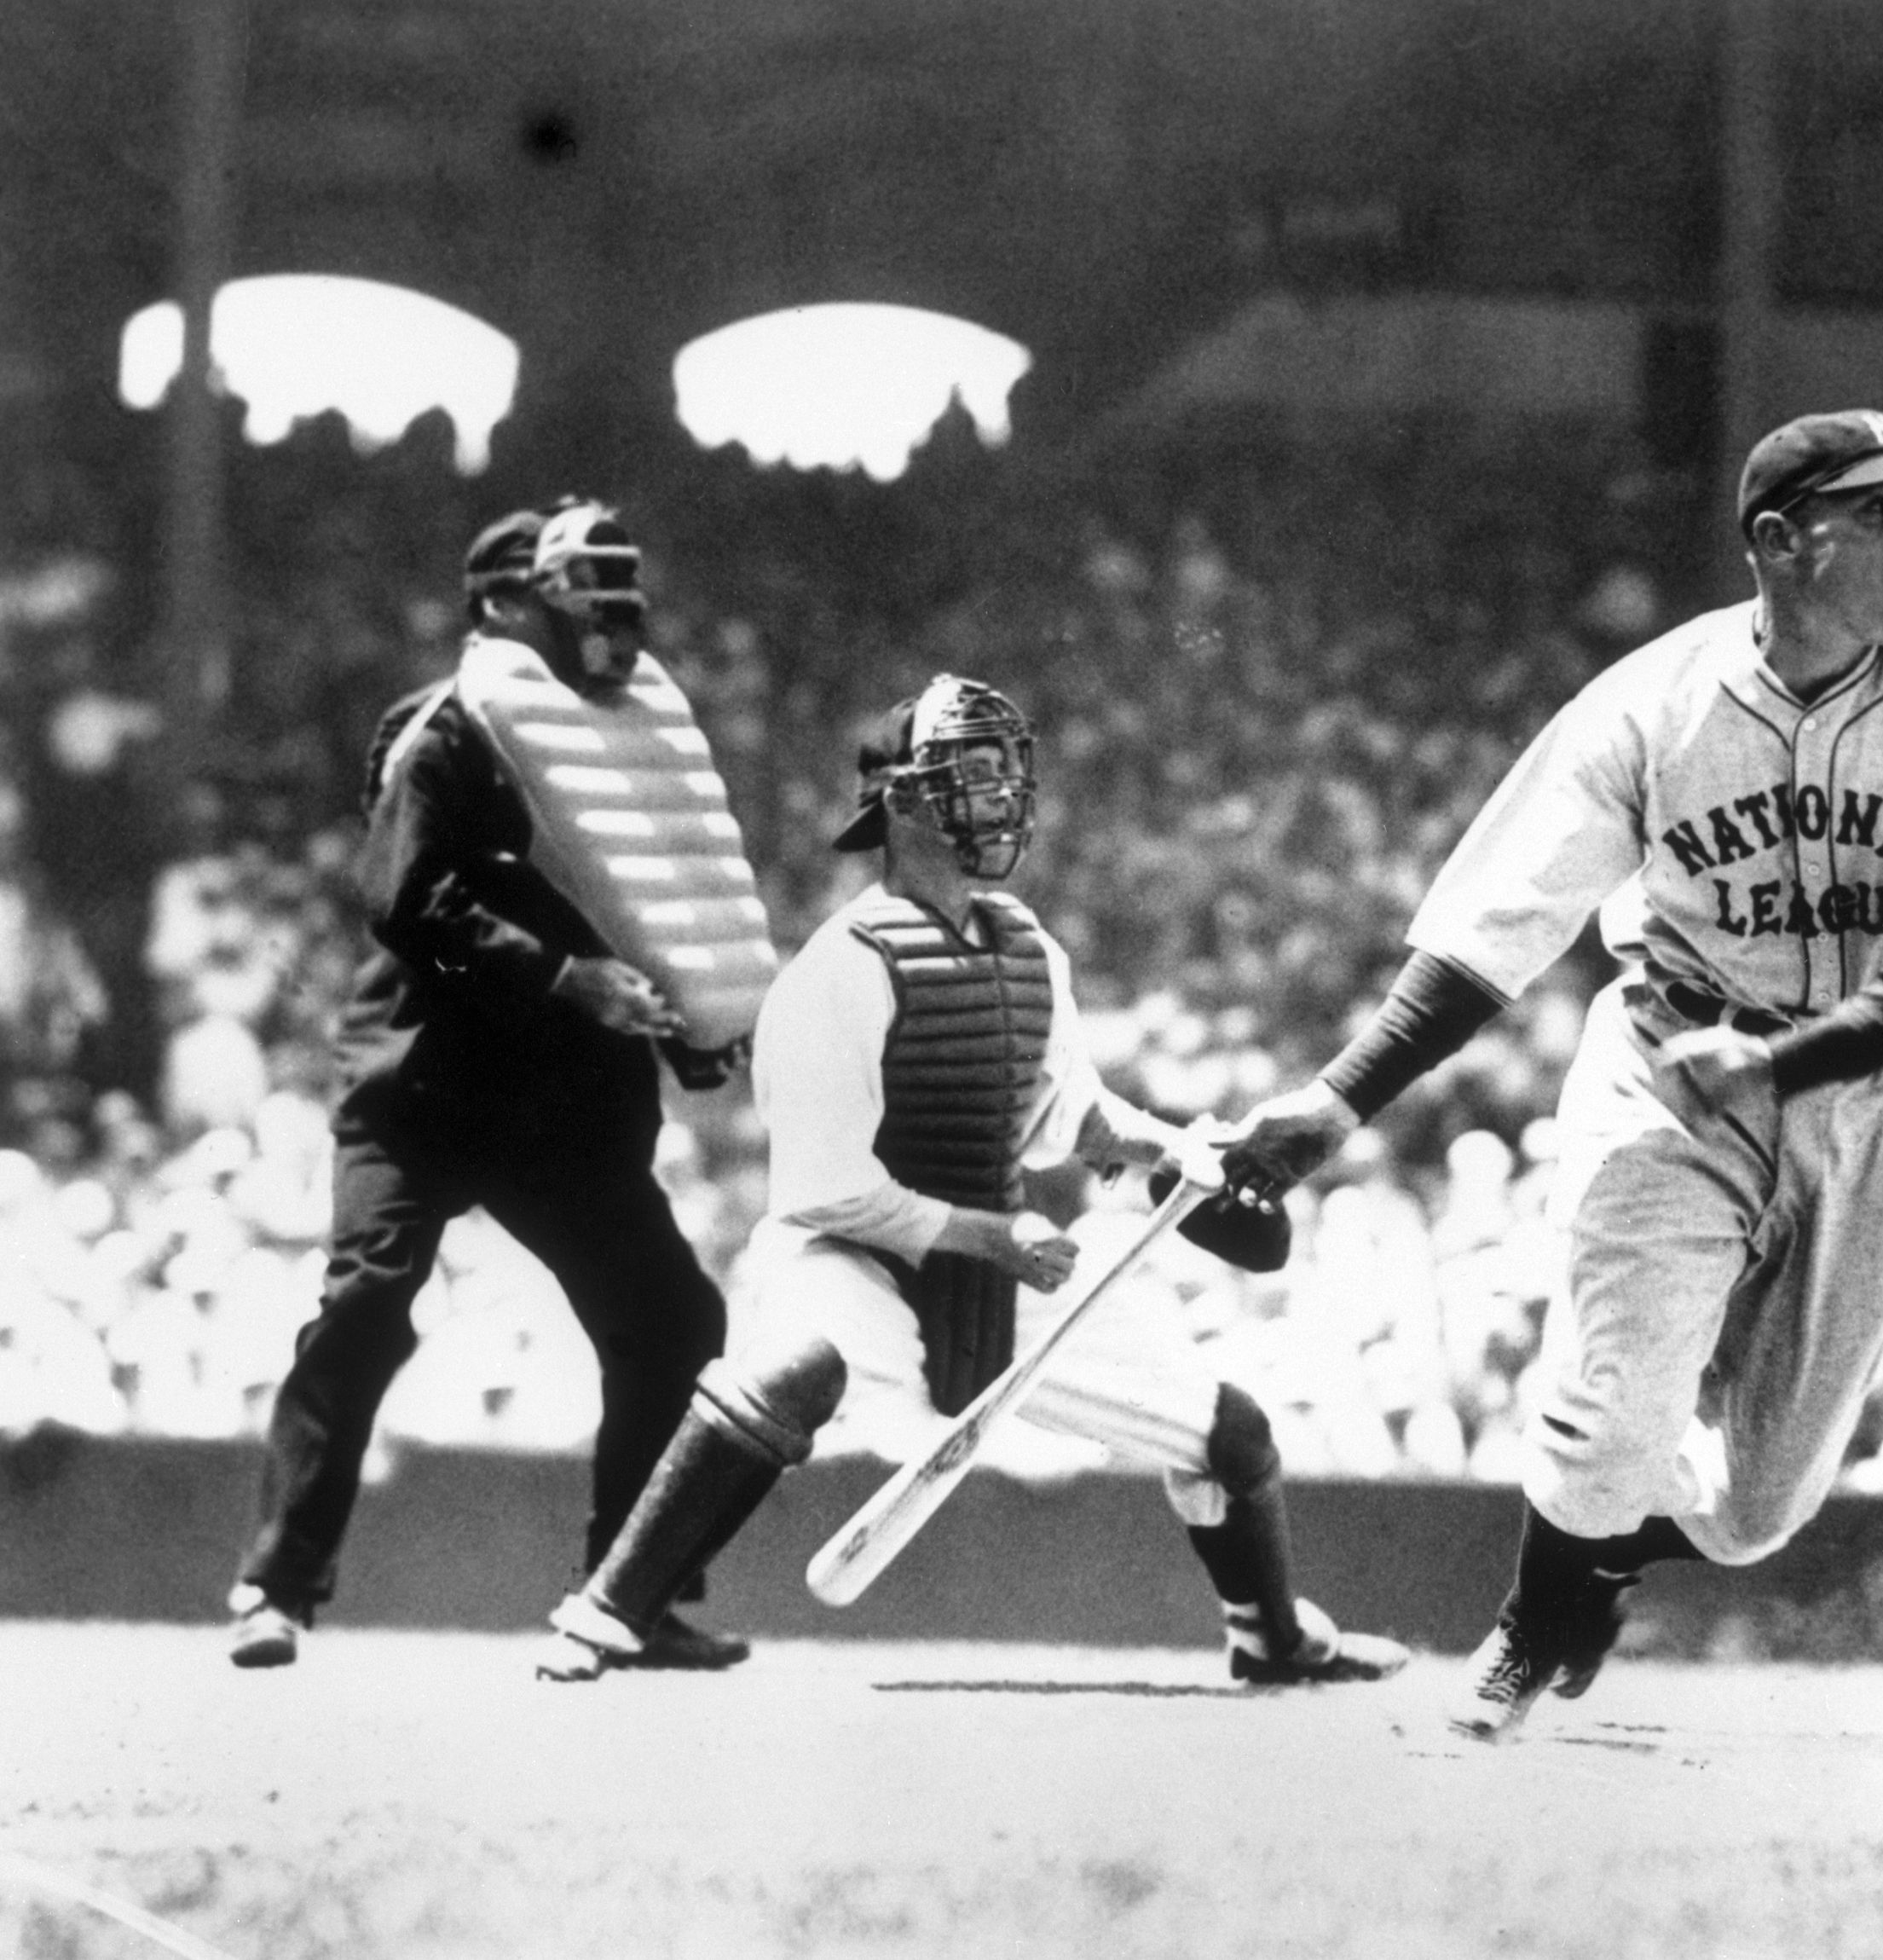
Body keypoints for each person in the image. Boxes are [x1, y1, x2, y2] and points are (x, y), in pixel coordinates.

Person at [1221, 410, 1883, 1739]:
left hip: (1876, 1088)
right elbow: (1496, 925)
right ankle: (1534, 1621)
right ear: (1777, 540)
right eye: (1878, 511)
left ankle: (1596, 1555)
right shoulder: (1651, 702)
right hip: (1670, 1061)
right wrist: (1335, 1097)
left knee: (1758, 1506)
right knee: (1610, 1414)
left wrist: (1777, 1063)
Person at [534, 674, 1409, 1688]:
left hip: (995, 1268)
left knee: (1233, 1434)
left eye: (1004, 774)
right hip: (848, 1259)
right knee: (793, 1369)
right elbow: (826, 1190)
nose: (999, 796)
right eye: (971, 775)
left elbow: (1070, 1117)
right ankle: (606, 1609)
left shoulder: (1029, 949)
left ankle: (1274, 1635)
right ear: (901, 803)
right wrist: (993, 1239)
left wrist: (1180, 1151)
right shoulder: (836, 971)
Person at [226, 499, 750, 1671]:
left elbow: (657, 908)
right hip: (427, 1078)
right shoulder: (449, 729)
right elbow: (407, 907)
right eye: (571, 589)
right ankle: (276, 1580)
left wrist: (692, 1027)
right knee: (366, 1300)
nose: (605, 613)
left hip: (563, 1101)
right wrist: (565, 979)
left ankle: (633, 1591)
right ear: (505, 603)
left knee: (673, 1318)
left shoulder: (630, 737)